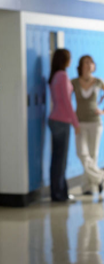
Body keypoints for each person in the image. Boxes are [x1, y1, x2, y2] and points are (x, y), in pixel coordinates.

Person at [48, 49, 80, 202]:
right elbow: (67, 102)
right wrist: (75, 122)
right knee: (60, 160)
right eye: (69, 57)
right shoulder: (62, 76)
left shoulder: (55, 75)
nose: (71, 60)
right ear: (64, 60)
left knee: (57, 159)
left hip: (55, 119)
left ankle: (59, 192)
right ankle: (60, 194)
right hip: (62, 121)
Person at [71, 55, 104, 195]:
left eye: (91, 62)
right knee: (82, 153)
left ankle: (87, 187)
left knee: (93, 155)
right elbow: (66, 100)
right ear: (81, 66)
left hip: (95, 122)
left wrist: (102, 110)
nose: (90, 64)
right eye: (87, 62)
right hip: (80, 122)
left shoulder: (98, 82)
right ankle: (100, 178)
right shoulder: (74, 82)